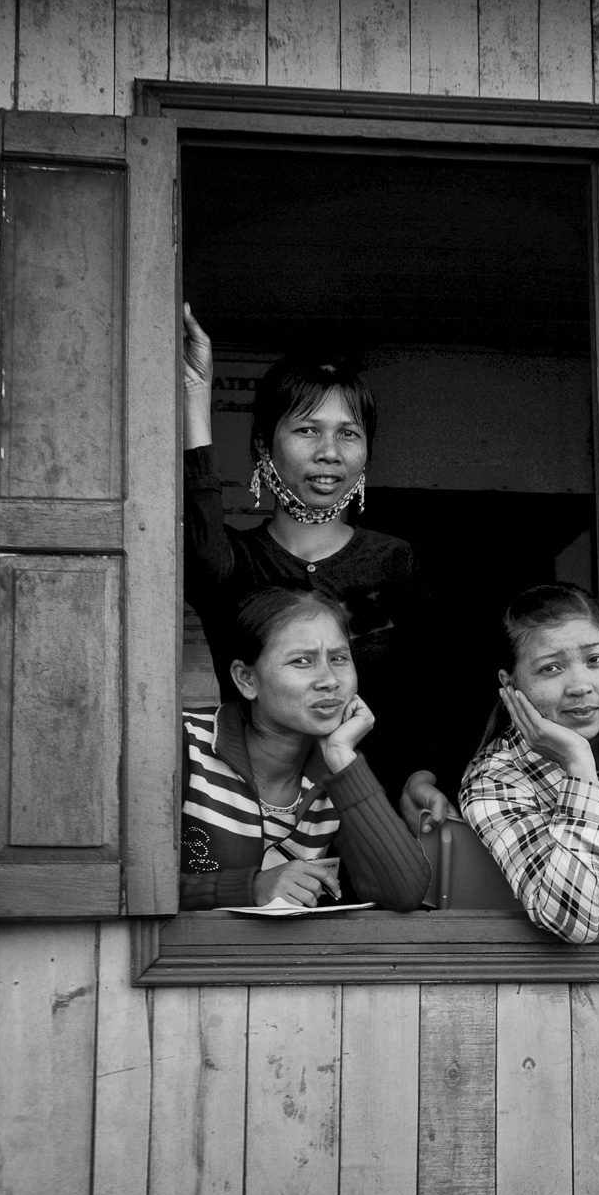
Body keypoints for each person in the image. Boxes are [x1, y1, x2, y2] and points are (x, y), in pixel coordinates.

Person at [182, 304, 451, 834]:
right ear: (264, 445)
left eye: (348, 434)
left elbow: (426, 699)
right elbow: (198, 532)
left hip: (378, 814)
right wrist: (195, 394)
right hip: (256, 822)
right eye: (307, 430)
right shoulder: (234, 564)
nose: (329, 452)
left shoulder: (394, 560)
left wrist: (420, 777)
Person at [180, 584, 431, 912]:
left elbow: (405, 892)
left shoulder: (335, 774)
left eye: (339, 658)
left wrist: (343, 758)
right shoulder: (183, 745)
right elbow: (125, 884)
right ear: (246, 680)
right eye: (302, 661)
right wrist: (250, 887)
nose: (329, 679)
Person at [458, 583, 599, 944]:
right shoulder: (495, 779)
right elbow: (572, 921)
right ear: (510, 683)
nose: (581, 685)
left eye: (595, 659)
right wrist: (577, 763)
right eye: (551, 668)